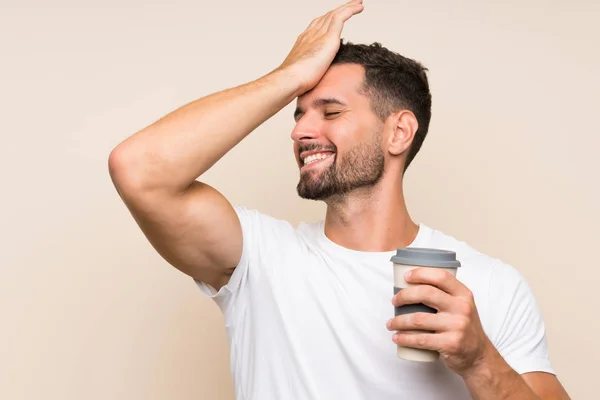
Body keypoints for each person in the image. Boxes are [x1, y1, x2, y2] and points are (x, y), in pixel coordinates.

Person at [108, 1, 571, 398]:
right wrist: (290, 75)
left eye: (330, 112)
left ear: (399, 132)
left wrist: (478, 359)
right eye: (297, 112)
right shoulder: (259, 260)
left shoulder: (491, 285)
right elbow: (140, 169)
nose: (300, 131)